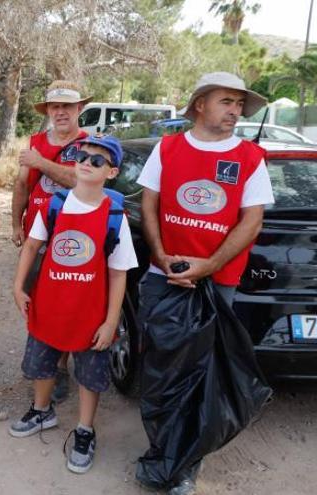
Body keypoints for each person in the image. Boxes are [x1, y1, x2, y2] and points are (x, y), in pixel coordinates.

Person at [134, 72, 274, 495]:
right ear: (200, 105)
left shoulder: (250, 157)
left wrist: (209, 264)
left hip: (218, 283)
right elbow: (149, 202)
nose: (235, 112)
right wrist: (159, 255)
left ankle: (186, 463)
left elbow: (252, 220)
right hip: (165, 277)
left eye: (238, 105)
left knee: (202, 373)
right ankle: (162, 448)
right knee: (161, 369)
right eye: (227, 102)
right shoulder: (169, 147)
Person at [10, 135, 138, 474]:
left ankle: (84, 429)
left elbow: (117, 274)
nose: (87, 162)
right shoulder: (56, 203)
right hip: (49, 304)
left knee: (90, 375)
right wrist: (18, 286)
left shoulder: (115, 216)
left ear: (111, 173)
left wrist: (111, 321)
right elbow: (32, 246)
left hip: (90, 313)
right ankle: (42, 410)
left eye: (98, 160)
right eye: (83, 155)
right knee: (41, 363)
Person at [11, 80, 92, 404]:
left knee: (67, 303)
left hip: (76, 239)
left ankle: (59, 368)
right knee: (36, 300)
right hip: (38, 237)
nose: (60, 112)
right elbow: (21, 186)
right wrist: (17, 223)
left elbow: (79, 180)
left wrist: (40, 163)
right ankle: (41, 358)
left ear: (78, 110)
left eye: (67, 107)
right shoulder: (34, 143)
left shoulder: (89, 146)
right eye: (54, 107)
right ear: (48, 111)